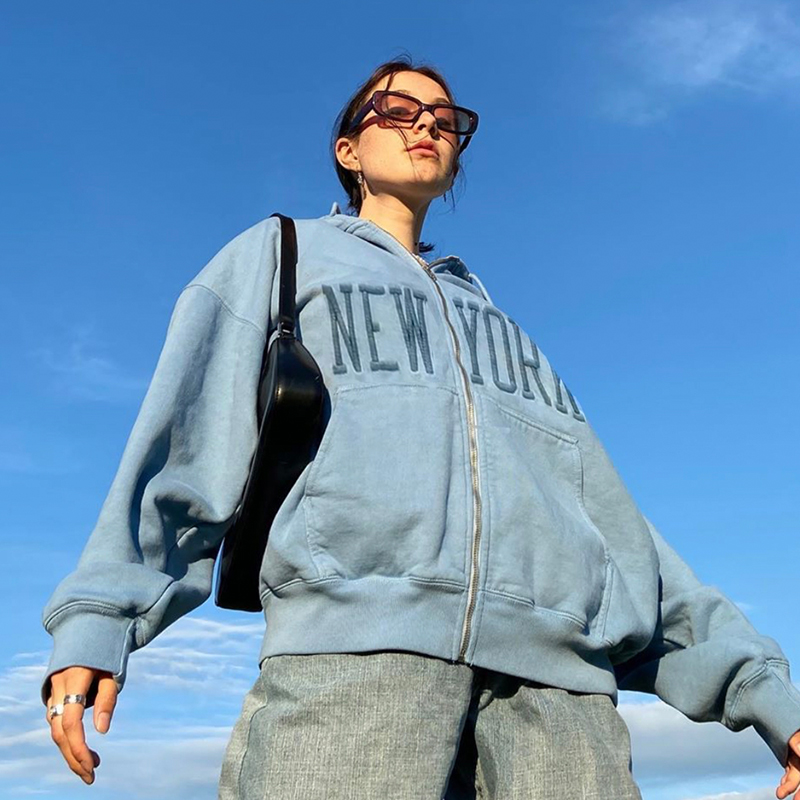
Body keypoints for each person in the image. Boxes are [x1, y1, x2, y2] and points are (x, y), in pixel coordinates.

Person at [40, 56, 800, 800]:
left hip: (564, 706)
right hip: (354, 665)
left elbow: (615, 535)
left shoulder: (506, 333)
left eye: (446, 118)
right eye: (399, 111)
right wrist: (99, 619)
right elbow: (184, 444)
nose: (427, 125)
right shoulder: (283, 256)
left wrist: (770, 697)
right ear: (349, 151)